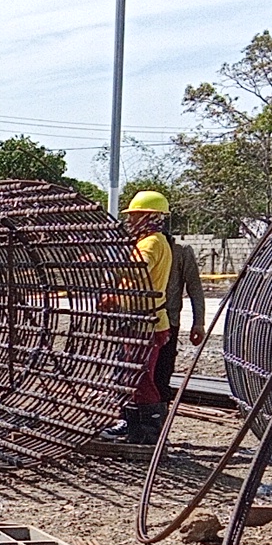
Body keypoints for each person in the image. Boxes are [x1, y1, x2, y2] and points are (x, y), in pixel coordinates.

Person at [107, 190, 174, 444]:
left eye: (136, 215)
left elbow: (138, 273)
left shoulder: (152, 243)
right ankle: (131, 423)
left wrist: (107, 260)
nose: (131, 221)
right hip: (139, 320)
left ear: (150, 216)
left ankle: (149, 429)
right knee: (130, 374)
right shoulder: (147, 241)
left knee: (140, 376)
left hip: (146, 323)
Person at [155, 237, 208, 403]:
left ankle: (157, 419)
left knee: (162, 372)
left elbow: (194, 287)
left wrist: (198, 323)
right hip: (138, 322)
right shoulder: (140, 247)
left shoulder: (180, 251)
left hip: (168, 321)